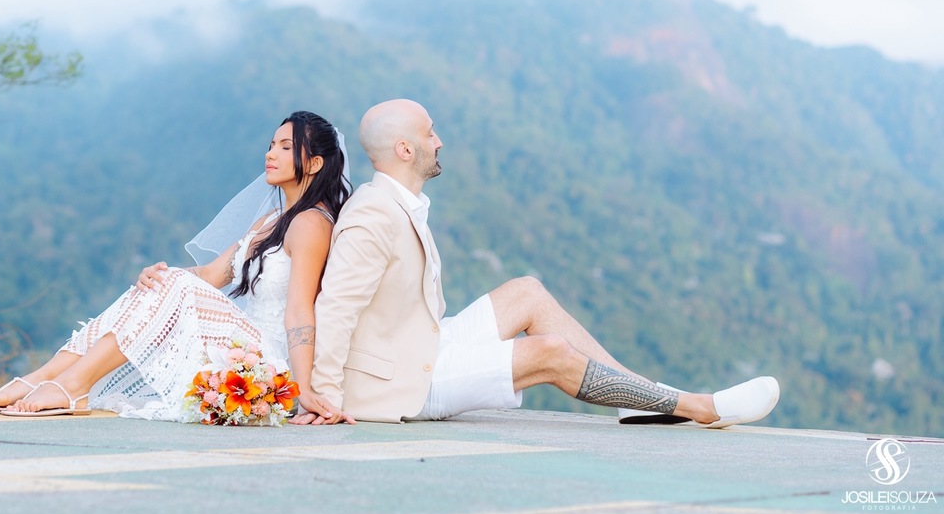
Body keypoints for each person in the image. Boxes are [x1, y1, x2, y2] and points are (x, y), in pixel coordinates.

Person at [295, 99, 780, 427]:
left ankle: (635, 400)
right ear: (405, 149)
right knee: (550, 352)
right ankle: (697, 408)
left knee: (526, 291)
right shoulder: (373, 213)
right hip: (401, 382)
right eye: (430, 133)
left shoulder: (398, 203)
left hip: (426, 342)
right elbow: (336, 306)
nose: (439, 141)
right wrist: (325, 396)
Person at [0, 111, 351, 420]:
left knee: (175, 284)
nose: (271, 154)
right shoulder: (270, 220)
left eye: (286, 147)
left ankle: (73, 386)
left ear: (315, 162)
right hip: (239, 344)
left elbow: (301, 311)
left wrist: (304, 390)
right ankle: (42, 377)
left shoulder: (311, 224)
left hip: (270, 357)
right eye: (271, 145)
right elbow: (208, 276)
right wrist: (157, 275)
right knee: (163, 280)